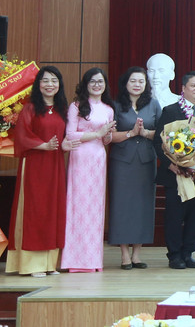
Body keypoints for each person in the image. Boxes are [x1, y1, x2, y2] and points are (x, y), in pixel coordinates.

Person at [5, 66, 78, 277]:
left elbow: (61, 138)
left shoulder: (62, 109)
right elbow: (21, 136)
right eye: (45, 80)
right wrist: (43, 145)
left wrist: (63, 145)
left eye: (54, 81)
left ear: (59, 85)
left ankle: (49, 264)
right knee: (34, 210)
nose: (50, 85)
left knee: (52, 210)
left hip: (55, 166)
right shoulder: (30, 108)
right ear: (38, 84)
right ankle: (31, 265)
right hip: (35, 165)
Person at [153, 71, 195, 269]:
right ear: (183, 88)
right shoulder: (171, 111)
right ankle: (174, 255)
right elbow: (158, 142)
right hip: (177, 174)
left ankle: (188, 253)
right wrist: (171, 164)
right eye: (193, 86)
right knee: (175, 216)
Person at [60, 67, 116, 272]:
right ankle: (73, 260)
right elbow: (70, 134)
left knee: (95, 208)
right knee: (77, 205)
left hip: (98, 158)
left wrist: (107, 135)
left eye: (100, 81)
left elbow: (106, 140)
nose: (96, 85)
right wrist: (97, 134)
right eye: (92, 81)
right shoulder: (76, 106)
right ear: (86, 84)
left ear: (105, 85)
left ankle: (92, 261)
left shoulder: (108, 109)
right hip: (80, 156)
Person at [109, 67, 161, 270]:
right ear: (125, 83)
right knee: (121, 206)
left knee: (143, 206)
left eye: (141, 81)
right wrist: (130, 133)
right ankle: (124, 254)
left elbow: (163, 133)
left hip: (146, 162)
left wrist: (145, 132)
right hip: (122, 162)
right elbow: (109, 136)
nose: (137, 84)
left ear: (146, 84)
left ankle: (137, 254)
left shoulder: (153, 104)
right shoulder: (115, 105)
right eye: (133, 81)